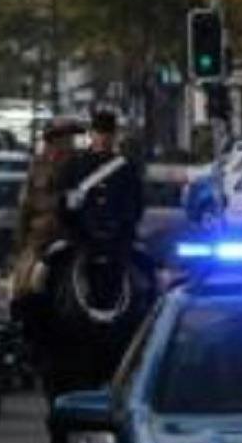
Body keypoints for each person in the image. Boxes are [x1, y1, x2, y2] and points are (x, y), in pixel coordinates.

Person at [10, 116, 80, 322]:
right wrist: (20, 240)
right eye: (59, 138)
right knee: (23, 282)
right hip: (42, 237)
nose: (65, 142)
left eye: (68, 138)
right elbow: (26, 205)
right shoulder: (37, 166)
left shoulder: (80, 164)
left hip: (73, 234)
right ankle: (21, 323)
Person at [56, 109, 144, 249]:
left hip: (117, 238)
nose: (103, 138)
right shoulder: (75, 165)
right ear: (91, 134)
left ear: (114, 136)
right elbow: (65, 201)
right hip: (82, 236)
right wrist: (73, 229)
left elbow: (136, 203)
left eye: (107, 134)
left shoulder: (126, 168)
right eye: (99, 133)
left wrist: (123, 227)